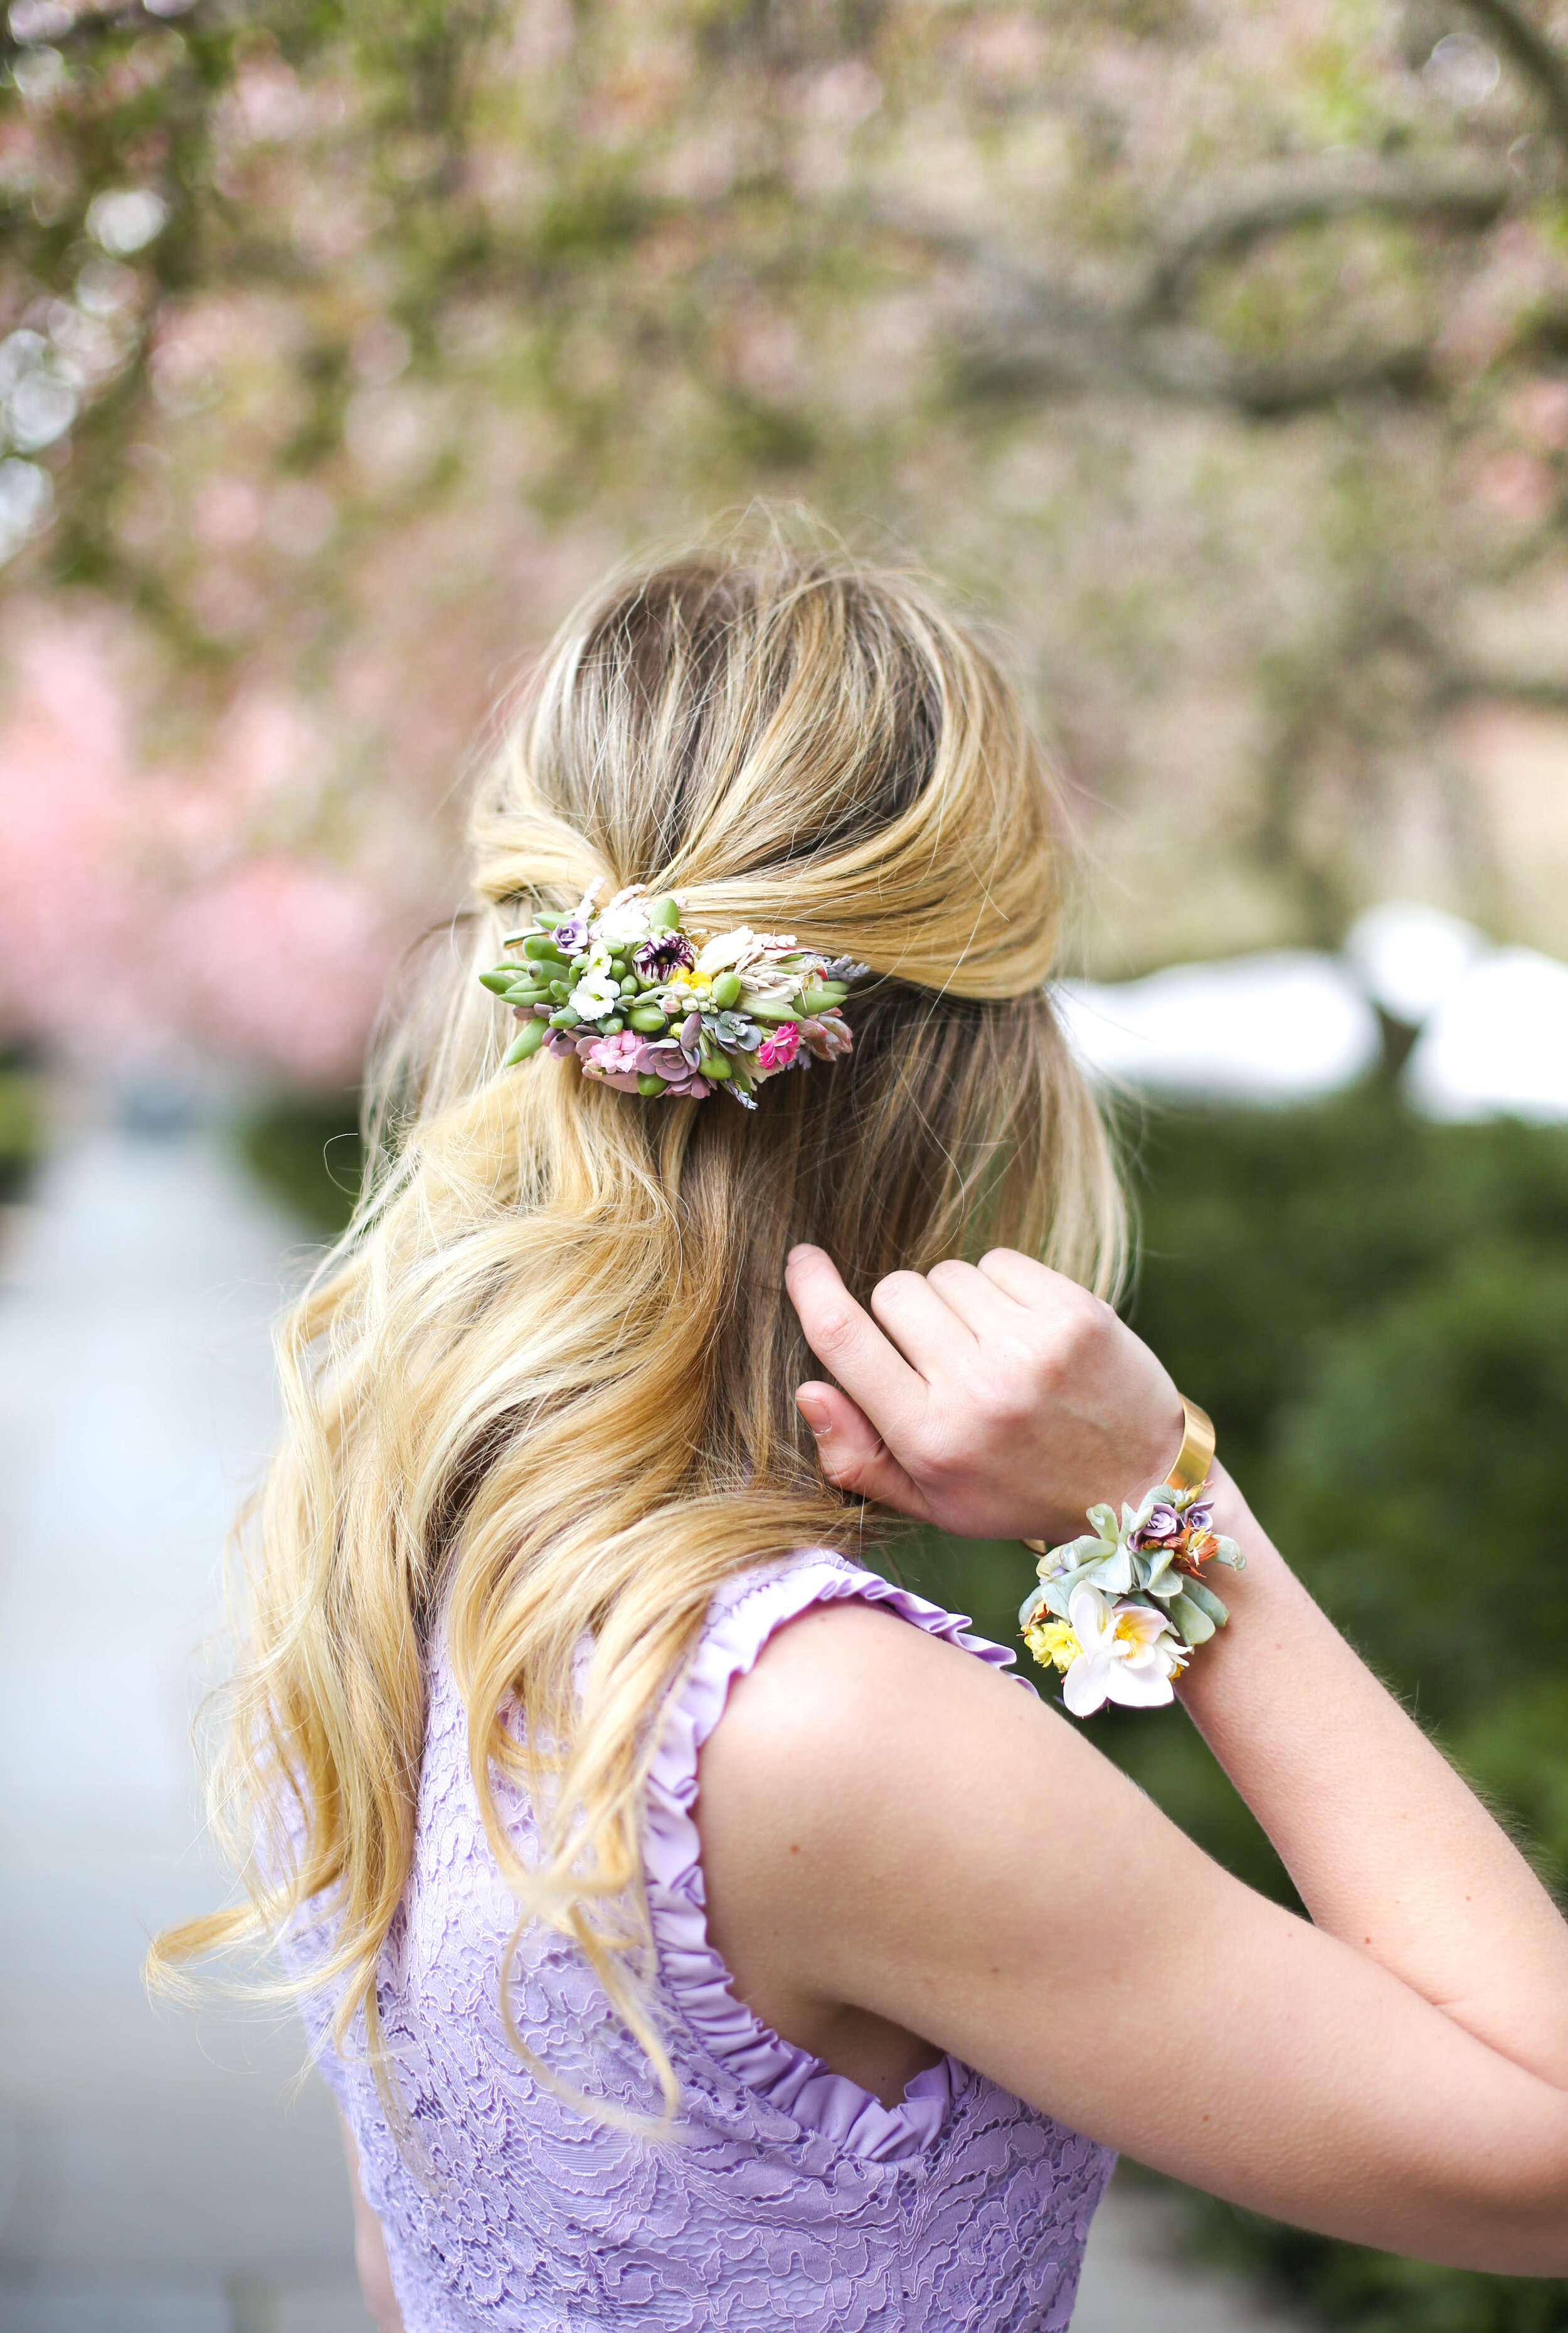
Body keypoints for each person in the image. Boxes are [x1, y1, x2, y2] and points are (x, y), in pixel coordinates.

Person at [154, 535, 1568, 2332]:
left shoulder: (388, 1556)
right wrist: (1168, 1512)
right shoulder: (824, 1736)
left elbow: (403, 2261)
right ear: (983, 1056)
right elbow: (1544, 2150)